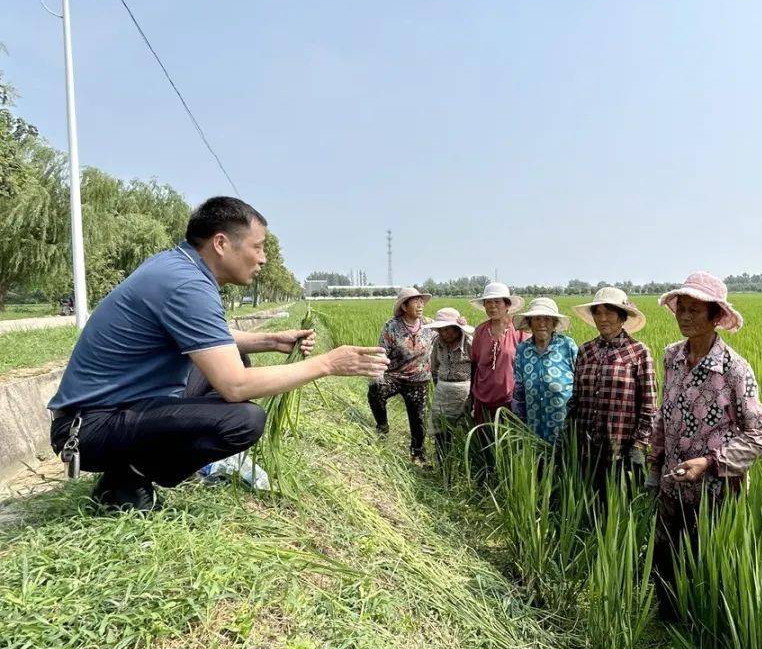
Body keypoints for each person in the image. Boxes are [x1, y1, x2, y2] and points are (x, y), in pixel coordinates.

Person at [47, 196, 389, 512]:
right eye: (258, 246)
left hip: (116, 408)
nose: (263, 258)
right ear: (221, 243)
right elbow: (235, 387)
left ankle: (138, 466)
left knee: (235, 357)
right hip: (88, 428)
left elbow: (211, 338)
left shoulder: (179, 267)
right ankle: (126, 478)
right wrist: (328, 363)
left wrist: (271, 340)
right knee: (244, 420)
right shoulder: (187, 284)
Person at [647, 272, 762, 609]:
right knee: (667, 558)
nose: (685, 316)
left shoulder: (734, 369)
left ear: (716, 316)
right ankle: (668, 621)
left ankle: (702, 630)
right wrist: (654, 465)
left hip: (715, 492)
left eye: (695, 310)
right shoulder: (672, 357)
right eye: (681, 308)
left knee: (705, 565)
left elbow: (760, 436)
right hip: (672, 484)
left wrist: (710, 462)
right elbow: (664, 413)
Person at [568, 287, 656, 489]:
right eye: (597, 313)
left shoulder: (639, 352)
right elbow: (576, 398)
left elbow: (649, 405)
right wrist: (568, 431)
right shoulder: (585, 351)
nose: (602, 318)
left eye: (609, 312)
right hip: (587, 447)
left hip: (622, 448)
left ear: (622, 317)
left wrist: (639, 444)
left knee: (621, 507)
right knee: (589, 502)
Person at [368, 286, 436, 464]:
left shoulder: (430, 325)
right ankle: (382, 427)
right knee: (376, 388)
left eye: (421, 301)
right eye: (415, 301)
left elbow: (449, 333)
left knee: (418, 419)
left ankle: (417, 454)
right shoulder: (392, 327)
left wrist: (459, 323)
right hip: (395, 376)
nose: (420, 304)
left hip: (419, 380)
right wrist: (378, 372)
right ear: (404, 307)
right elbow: (382, 351)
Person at [469, 281, 527, 477]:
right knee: (485, 442)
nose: (493, 306)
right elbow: (475, 364)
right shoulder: (480, 331)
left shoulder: (519, 332)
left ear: (507, 304)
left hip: (509, 400)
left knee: (507, 443)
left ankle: (507, 479)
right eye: (488, 302)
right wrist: (471, 397)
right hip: (482, 398)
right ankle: (486, 478)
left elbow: (526, 366)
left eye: (497, 302)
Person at [511, 298, 578, 445]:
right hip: (533, 428)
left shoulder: (567, 346)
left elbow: (580, 386)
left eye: (547, 319)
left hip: (564, 429)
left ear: (554, 322)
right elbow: (519, 391)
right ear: (529, 322)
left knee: (564, 465)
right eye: (537, 319)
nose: (542, 323)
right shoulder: (523, 349)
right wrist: (519, 423)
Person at [424, 307, 474, 466]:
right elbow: (434, 366)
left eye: (449, 330)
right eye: (442, 330)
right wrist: (438, 385)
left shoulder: (469, 343)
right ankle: (442, 462)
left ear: (458, 329)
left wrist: (473, 395)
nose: (446, 334)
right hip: (443, 391)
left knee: (464, 427)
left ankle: (463, 462)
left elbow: (478, 368)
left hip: (464, 390)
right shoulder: (437, 343)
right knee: (440, 429)